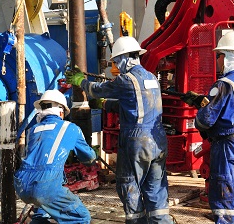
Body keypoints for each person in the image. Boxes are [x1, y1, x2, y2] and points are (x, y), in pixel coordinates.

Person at [65, 36, 173, 224]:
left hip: (137, 142)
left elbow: (96, 89)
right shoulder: (152, 78)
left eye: (116, 61)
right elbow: (136, 104)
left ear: (125, 58)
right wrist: (106, 105)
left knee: (129, 184)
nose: (116, 66)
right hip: (157, 140)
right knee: (155, 188)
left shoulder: (126, 80)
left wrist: (81, 81)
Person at [181, 31, 234, 224]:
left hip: (228, 147)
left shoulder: (223, 84)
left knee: (224, 200)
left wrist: (201, 110)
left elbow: (206, 120)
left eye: (219, 55)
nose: (217, 60)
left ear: (229, 56)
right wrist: (206, 102)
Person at [14, 89, 97, 224]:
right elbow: (88, 157)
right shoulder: (69, 127)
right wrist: (94, 155)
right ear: (60, 111)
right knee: (81, 217)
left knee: (41, 214)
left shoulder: (32, 130)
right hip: (46, 184)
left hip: (22, 184)